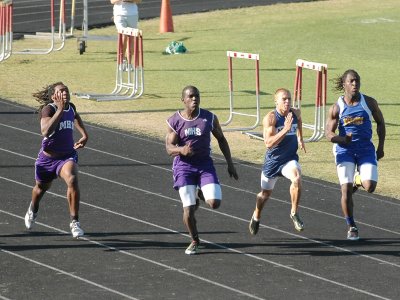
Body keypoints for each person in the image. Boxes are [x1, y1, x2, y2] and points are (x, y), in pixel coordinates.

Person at [165, 85, 239, 255]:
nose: (194, 99)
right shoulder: (175, 121)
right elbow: (169, 148)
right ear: (183, 99)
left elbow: (221, 139)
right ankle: (195, 240)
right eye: (190, 96)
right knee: (188, 208)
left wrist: (230, 163)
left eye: (197, 96)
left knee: (214, 203)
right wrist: (181, 150)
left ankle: (200, 193)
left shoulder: (209, 118)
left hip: (205, 165)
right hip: (184, 167)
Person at [326, 69, 385, 240]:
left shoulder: (369, 102)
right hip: (344, 150)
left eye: (357, 81)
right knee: (345, 189)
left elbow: (381, 123)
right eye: (351, 81)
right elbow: (328, 133)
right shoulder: (337, 107)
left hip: (366, 149)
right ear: (344, 84)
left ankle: (357, 180)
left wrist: (380, 147)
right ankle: (351, 225)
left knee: (370, 187)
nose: (355, 84)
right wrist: (342, 139)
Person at [24, 82, 89, 238]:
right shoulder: (49, 109)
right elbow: (45, 131)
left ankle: (75, 222)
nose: (65, 93)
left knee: (72, 179)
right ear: (53, 96)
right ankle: (33, 208)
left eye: (66, 90)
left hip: (66, 156)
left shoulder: (71, 107)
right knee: (40, 189)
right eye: (61, 91)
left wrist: (84, 135)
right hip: (47, 159)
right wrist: (59, 109)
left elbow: (75, 116)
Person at [249, 88, 306, 235]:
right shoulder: (271, 118)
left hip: (289, 159)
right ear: (276, 101)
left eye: (289, 99)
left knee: (297, 178)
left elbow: (299, 121)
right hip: (273, 162)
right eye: (284, 99)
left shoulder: (295, 113)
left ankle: (294, 212)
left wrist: (300, 137)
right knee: (264, 195)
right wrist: (285, 129)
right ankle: (256, 215)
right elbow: (268, 143)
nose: (287, 102)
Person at [110, 0, 141, 71]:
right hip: (119, 14)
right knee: (123, 36)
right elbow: (112, 1)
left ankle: (129, 63)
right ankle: (121, 60)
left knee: (131, 38)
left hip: (132, 14)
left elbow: (139, 1)